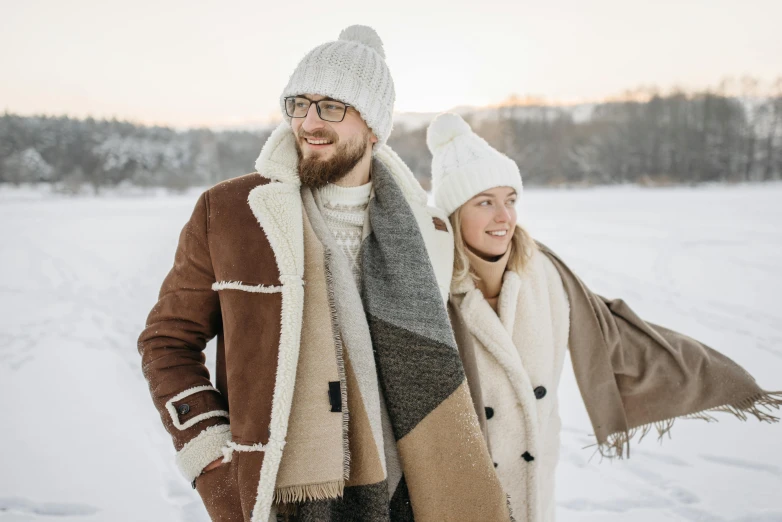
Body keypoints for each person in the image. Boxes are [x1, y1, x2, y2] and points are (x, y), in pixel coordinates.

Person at [138, 27, 513, 522]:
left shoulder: (428, 232)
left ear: (374, 126)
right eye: (299, 103)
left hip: (416, 498)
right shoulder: (233, 214)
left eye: (332, 106)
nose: (309, 122)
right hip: (283, 501)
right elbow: (166, 342)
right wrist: (212, 457)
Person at [427, 112, 782, 522]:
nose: (504, 217)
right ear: (454, 213)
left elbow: (615, 333)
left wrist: (717, 376)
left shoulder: (545, 274)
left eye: (510, 200)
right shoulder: (430, 286)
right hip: (460, 490)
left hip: (533, 484)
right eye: (485, 202)